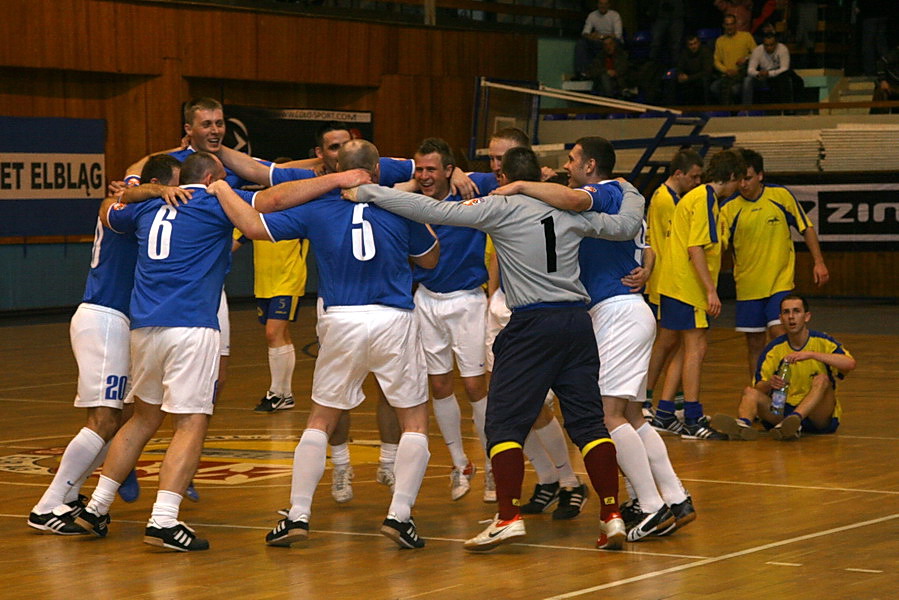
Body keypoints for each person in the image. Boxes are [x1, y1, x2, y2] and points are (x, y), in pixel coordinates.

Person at [346, 146, 646, 552]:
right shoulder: (573, 213)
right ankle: (612, 515)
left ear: (504, 179)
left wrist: (369, 194)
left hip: (531, 324)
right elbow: (627, 225)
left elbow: (433, 211)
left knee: (503, 424)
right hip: (576, 323)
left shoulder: (499, 207)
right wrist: (630, 189)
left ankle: (507, 517)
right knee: (589, 424)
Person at [215, 139, 439, 550]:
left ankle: (298, 515)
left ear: (339, 168)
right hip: (393, 317)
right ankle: (400, 516)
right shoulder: (397, 203)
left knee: (320, 419)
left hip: (341, 318)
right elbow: (429, 259)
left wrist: (222, 189)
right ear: (375, 171)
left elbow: (252, 225)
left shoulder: (317, 207)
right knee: (415, 422)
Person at [494, 137, 697, 542]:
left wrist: (520, 186)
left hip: (616, 312)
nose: (566, 166)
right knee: (633, 415)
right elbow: (646, 246)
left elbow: (569, 201)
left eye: (572, 160)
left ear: (590, 166)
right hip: (627, 311)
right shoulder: (620, 194)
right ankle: (675, 497)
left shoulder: (603, 192)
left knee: (607, 416)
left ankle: (651, 505)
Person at [73, 152, 238, 551]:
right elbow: (265, 209)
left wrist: (144, 191)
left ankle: (95, 508)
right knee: (191, 422)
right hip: (191, 325)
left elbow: (106, 210)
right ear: (213, 177)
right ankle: (164, 520)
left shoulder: (149, 205)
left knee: (144, 418)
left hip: (145, 325)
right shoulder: (216, 203)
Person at [26, 155, 187, 535]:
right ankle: (48, 504)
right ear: (157, 184)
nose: (178, 194)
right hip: (105, 317)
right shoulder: (130, 203)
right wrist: (159, 190)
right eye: (175, 185)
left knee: (114, 418)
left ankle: (66, 497)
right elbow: (131, 194)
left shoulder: (138, 206)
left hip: (114, 319)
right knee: (103, 419)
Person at [484, 129, 585, 519]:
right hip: (504, 304)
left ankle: (569, 481)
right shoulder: (496, 194)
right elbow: (498, 252)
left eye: (501, 160)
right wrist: (490, 297)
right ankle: (547, 478)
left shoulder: (551, 194)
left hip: (539, 307)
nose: (495, 167)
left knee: (536, 405)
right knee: (507, 402)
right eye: (491, 159)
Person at [408, 138, 496, 502]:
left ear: (448, 169)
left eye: (432, 169)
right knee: (439, 386)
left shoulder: (472, 190)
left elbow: (505, 174)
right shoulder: (409, 200)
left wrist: (461, 171)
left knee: (476, 386)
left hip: (468, 300)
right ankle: (460, 464)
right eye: (419, 169)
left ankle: (493, 464)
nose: (425, 176)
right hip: (426, 300)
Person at [650, 149, 746, 440]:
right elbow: (696, 248)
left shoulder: (703, 198)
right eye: (738, 181)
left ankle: (665, 412)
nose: (739, 187)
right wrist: (711, 290)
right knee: (697, 348)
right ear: (730, 177)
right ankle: (692, 418)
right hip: (685, 286)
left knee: (684, 347)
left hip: (677, 284)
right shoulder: (703, 198)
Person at [719, 148, 828, 379]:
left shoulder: (780, 196)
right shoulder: (728, 208)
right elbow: (717, 247)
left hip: (779, 283)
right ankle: (759, 391)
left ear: (760, 175)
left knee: (780, 336)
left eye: (747, 178)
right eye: (739, 179)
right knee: (755, 346)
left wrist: (819, 261)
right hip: (748, 287)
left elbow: (805, 227)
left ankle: (787, 392)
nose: (743, 184)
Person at [711, 295, 855, 441]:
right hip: (782, 409)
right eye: (786, 312)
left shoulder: (823, 342)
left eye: (796, 311)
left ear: (807, 316)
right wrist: (770, 384)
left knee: (822, 379)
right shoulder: (773, 349)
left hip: (817, 414)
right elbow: (758, 388)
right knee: (749, 392)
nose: (791, 317)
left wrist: (812, 355)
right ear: (781, 319)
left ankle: (794, 421)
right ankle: (743, 425)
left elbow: (849, 364)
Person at [644, 149, 703, 427]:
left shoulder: (671, 197)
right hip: (666, 280)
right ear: (678, 174)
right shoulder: (668, 202)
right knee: (667, 341)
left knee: (677, 341)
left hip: (669, 280)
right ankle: (644, 399)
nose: (696, 182)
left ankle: (673, 402)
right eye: (693, 177)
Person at [711, 14, 756, 104]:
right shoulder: (720, 41)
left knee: (734, 89)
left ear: (736, 24)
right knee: (714, 88)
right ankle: (726, 112)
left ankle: (740, 111)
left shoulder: (746, 36)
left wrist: (746, 58)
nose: (729, 27)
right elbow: (716, 61)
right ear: (723, 25)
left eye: (731, 24)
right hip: (727, 74)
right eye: (727, 24)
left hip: (742, 73)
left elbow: (756, 53)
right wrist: (726, 70)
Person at [575, 0, 624, 80]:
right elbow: (585, 33)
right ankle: (583, 73)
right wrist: (592, 36)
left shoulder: (615, 15)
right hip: (597, 42)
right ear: (597, 4)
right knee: (581, 44)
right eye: (601, 3)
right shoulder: (592, 15)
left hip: (613, 41)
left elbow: (618, 34)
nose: (603, 6)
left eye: (605, 4)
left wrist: (602, 36)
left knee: (611, 43)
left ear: (609, 5)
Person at [742, 33, 792, 105]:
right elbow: (750, 70)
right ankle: (746, 109)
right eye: (766, 45)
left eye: (771, 45)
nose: (769, 47)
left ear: (776, 44)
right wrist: (758, 73)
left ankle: (786, 108)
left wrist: (769, 73)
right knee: (747, 80)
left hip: (778, 76)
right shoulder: (757, 50)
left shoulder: (782, 49)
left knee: (785, 79)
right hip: (762, 77)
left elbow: (784, 68)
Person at [675, 34, 714, 105]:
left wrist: (689, 78)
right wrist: (680, 75)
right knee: (673, 80)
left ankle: (707, 108)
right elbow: (679, 67)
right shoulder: (684, 53)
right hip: (689, 77)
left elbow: (707, 71)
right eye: (690, 44)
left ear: (699, 43)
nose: (693, 46)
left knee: (704, 80)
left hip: (701, 77)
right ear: (687, 45)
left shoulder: (705, 51)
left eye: (695, 43)